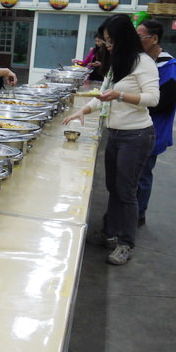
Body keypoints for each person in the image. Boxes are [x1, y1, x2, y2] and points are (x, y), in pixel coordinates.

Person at [62, 13, 160, 266]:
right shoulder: (119, 62)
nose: (107, 45)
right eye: (106, 40)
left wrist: (120, 95)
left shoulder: (143, 62)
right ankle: (109, 232)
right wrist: (83, 110)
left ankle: (125, 243)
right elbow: (104, 94)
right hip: (115, 133)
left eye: (111, 40)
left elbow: (152, 98)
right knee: (114, 188)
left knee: (127, 191)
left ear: (124, 38)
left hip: (136, 135)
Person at [136, 19, 176, 227]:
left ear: (154, 39)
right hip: (137, 126)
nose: (136, 41)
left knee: (143, 174)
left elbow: (164, 102)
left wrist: (133, 101)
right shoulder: (143, 60)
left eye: (140, 37)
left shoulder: (168, 66)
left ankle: (138, 215)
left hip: (154, 129)